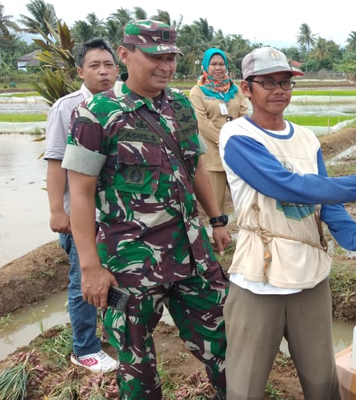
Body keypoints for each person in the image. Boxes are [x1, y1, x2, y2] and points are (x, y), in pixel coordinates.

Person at [62, 20, 230, 399]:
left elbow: (197, 166)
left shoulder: (181, 105)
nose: (165, 66)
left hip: (192, 256)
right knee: (136, 363)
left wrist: (217, 219)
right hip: (130, 264)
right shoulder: (96, 115)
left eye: (170, 57)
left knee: (225, 342)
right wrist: (89, 267)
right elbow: (81, 192)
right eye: (155, 56)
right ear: (125, 55)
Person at [218, 46, 356, 400]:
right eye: (267, 82)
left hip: (310, 278)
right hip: (259, 280)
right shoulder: (237, 136)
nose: (279, 89)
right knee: (245, 386)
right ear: (246, 88)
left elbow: (324, 203)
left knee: (321, 383)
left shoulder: (306, 138)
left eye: (285, 82)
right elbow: (288, 186)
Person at [44, 38, 119, 373]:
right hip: (81, 214)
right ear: (80, 71)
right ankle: (85, 348)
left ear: (119, 68)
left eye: (108, 65)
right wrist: (58, 212)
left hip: (117, 213)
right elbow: (55, 162)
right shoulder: (66, 107)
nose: (103, 72)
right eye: (95, 66)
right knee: (82, 280)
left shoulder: (125, 104)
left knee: (115, 276)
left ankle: (113, 336)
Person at [189, 48, 248, 215]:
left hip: (237, 152)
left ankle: (250, 234)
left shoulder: (235, 90)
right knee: (216, 204)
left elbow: (244, 114)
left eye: (221, 64)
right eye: (213, 64)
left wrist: (235, 141)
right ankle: (219, 238)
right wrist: (224, 140)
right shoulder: (197, 91)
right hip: (213, 155)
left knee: (246, 198)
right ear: (205, 66)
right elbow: (201, 122)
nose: (218, 68)